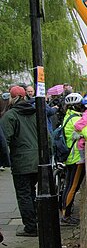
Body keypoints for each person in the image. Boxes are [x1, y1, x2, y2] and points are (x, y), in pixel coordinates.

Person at [0, 86, 39, 236]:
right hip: (38, 161)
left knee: (24, 195)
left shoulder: (10, 116)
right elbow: (48, 138)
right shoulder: (37, 113)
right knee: (32, 193)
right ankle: (35, 220)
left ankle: (30, 227)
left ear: (12, 98)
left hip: (22, 161)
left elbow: (4, 141)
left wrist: (5, 161)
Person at [59, 93, 87, 225]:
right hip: (76, 157)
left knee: (69, 185)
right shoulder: (76, 120)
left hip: (70, 157)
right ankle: (66, 215)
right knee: (72, 187)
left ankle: (65, 212)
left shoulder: (69, 116)